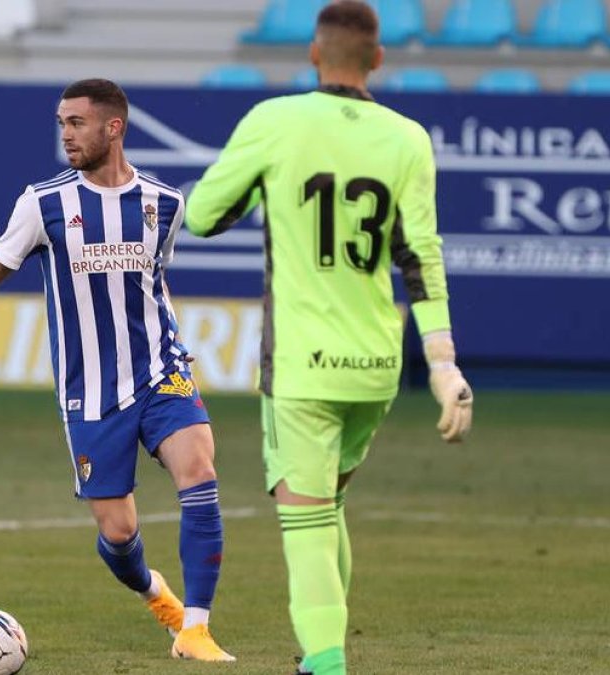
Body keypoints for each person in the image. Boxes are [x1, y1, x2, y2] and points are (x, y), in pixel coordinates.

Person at [184, 2, 473, 673]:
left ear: (313, 54)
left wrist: (266, 186)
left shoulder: (274, 122)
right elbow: (420, 256)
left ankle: (327, 662)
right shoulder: (408, 138)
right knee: (329, 502)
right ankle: (322, 653)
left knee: (306, 520)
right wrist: (443, 363)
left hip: (302, 366)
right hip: (376, 364)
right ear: (377, 59)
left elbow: (202, 216)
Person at [0, 78, 235, 662]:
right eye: (61, 123)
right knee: (119, 535)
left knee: (199, 471)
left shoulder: (165, 203)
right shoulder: (42, 203)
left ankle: (195, 629)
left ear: (112, 128)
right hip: (90, 391)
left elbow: (153, 282)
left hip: (162, 371)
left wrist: (173, 340)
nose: (65, 134)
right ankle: (156, 594)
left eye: (76, 123)